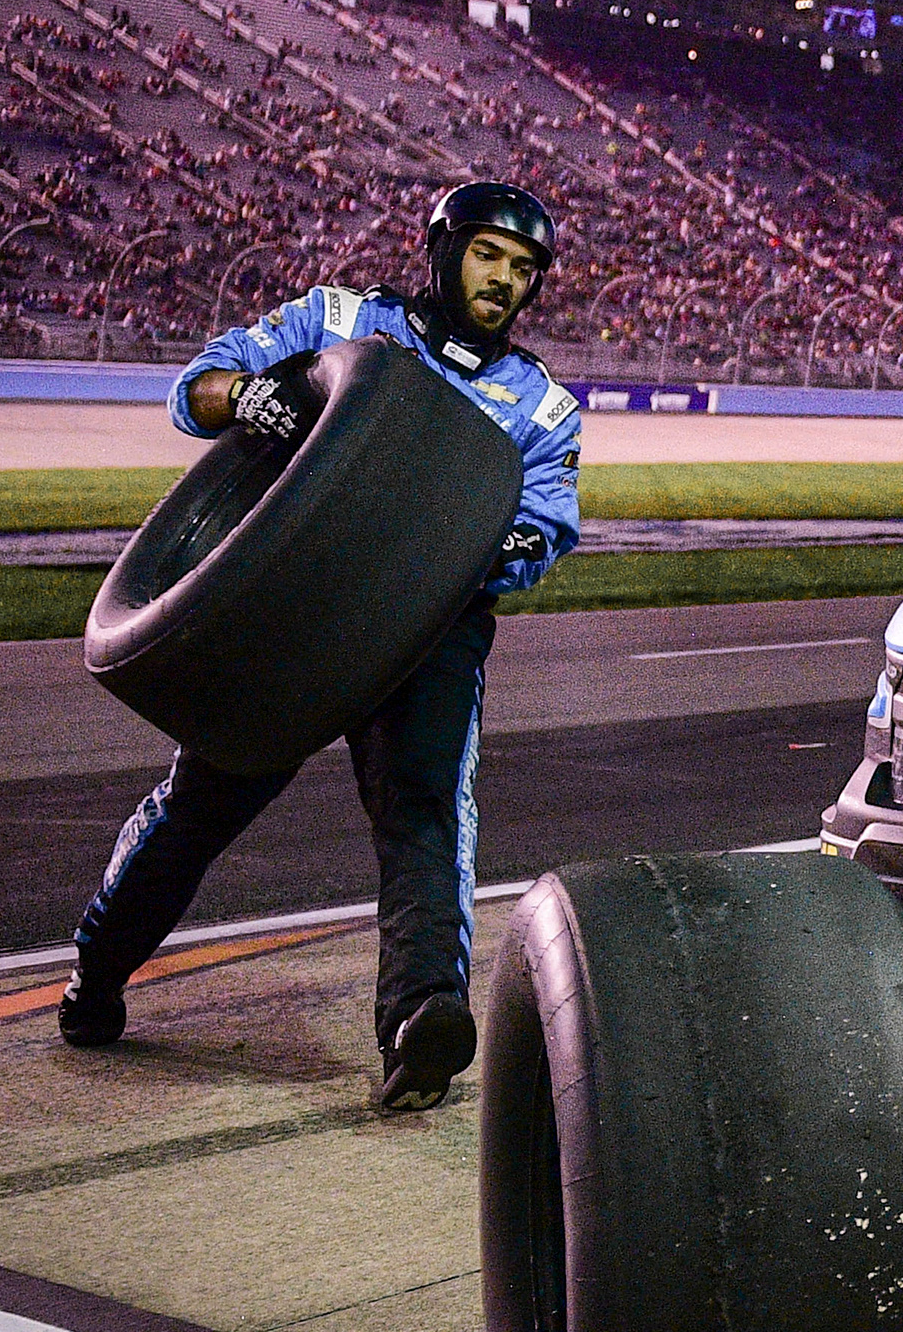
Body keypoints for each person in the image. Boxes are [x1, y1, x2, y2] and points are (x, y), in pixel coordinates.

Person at [60, 181, 582, 1113]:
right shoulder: (341, 317)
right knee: (201, 806)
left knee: (427, 808)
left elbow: (546, 529)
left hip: (429, 626)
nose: (505, 281)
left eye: (524, 269)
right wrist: (253, 397)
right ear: (444, 250)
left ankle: (421, 1022)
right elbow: (197, 389)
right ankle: (96, 971)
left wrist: (470, 541)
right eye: (489, 257)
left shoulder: (542, 405)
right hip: (293, 605)